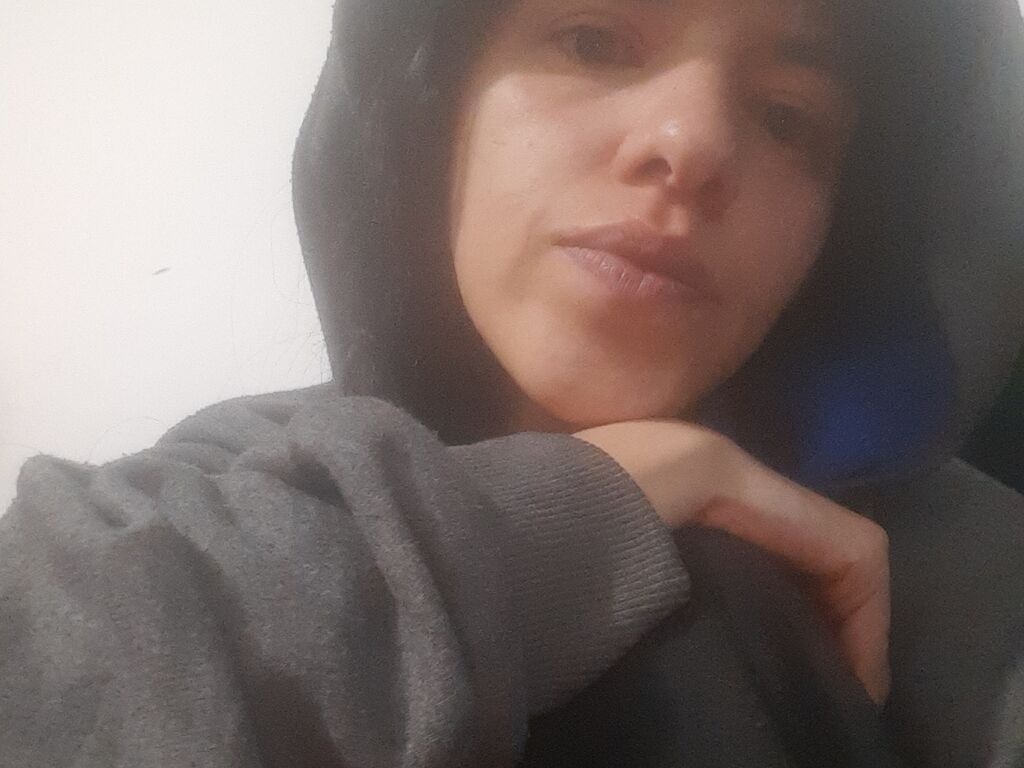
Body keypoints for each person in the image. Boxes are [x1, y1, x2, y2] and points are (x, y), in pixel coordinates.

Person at [1, 0, 1022, 765]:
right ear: (430, 107)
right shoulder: (243, 483)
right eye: (592, 40)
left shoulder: (969, 573)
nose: (692, 142)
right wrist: (586, 504)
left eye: (787, 116)